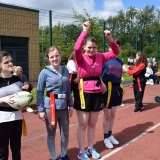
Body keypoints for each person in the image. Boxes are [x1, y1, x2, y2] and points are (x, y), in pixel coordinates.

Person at [74, 21, 119, 160]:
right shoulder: (80, 57)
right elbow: (76, 48)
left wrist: (110, 39)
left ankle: (90, 147)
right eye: (89, 47)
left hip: (97, 93)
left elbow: (116, 52)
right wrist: (84, 31)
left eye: (94, 47)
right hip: (83, 93)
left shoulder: (100, 56)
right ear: (85, 47)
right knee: (83, 124)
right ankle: (81, 151)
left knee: (92, 124)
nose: (91, 50)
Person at [36, 46, 74, 160]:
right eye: (52, 57)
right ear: (48, 58)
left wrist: (71, 105)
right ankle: (54, 157)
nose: (55, 58)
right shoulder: (44, 72)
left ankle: (63, 155)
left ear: (60, 56)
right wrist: (40, 109)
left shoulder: (66, 70)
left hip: (64, 106)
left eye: (57, 56)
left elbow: (68, 89)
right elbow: (39, 91)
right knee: (51, 133)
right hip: (50, 107)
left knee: (65, 133)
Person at [0, 51, 24, 160]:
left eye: (11, 61)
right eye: (6, 62)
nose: (10, 63)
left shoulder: (17, 80)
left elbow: (22, 97)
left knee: (16, 149)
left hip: (17, 117)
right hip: (2, 119)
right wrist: (3, 100)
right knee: (2, 151)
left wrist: (24, 103)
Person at [101, 40, 123, 149]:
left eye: (118, 46)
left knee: (113, 114)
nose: (115, 48)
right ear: (109, 47)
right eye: (113, 46)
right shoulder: (104, 60)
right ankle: (105, 137)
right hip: (107, 88)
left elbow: (119, 75)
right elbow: (98, 74)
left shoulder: (120, 61)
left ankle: (110, 134)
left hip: (116, 88)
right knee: (107, 114)